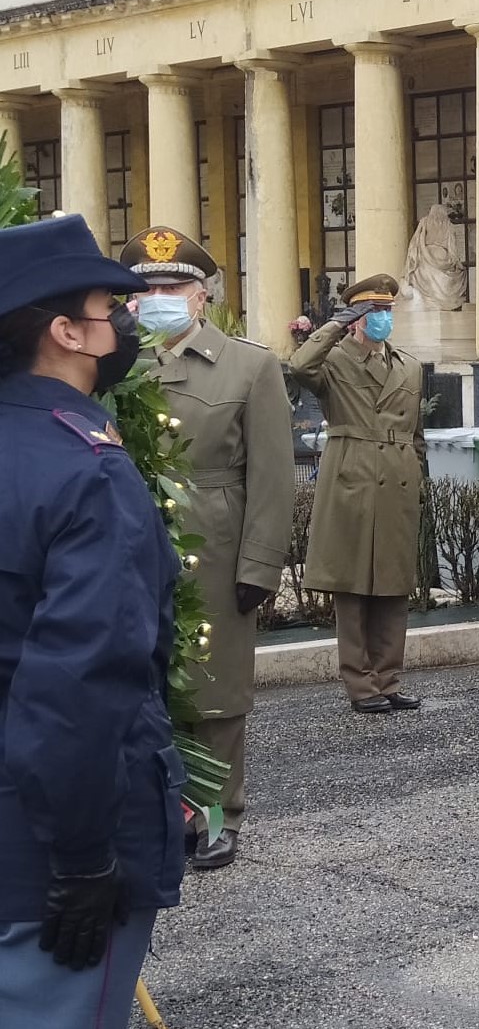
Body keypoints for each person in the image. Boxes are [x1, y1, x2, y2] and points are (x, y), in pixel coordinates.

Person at [0, 215, 185, 1029]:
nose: (125, 327)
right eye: (111, 308)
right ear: (66, 332)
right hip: (46, 853)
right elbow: (79, 687)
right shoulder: (88, 469)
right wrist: (83, 858)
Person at [122, 226, 295, 870]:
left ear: (203, 296)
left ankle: (218, 816)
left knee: (214, 690)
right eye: (147, 288)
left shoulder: (250, 365)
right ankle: (154, 809)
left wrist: (261, 564)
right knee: (141, 682)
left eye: (174, 286)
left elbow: (273, 477)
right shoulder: (116, 361)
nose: (160, 297)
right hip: (134, 543)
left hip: (215, 548)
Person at [291, 274, 427, 714]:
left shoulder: (408, 365)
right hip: (352, 475)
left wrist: (419, 478)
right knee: (351, 587)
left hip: (398, 478)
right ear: (355, 319)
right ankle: (360, 684)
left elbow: (417, 434)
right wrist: (333, 325)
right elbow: (299, 365)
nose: (382, 318)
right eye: (372, 312)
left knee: (393, 586)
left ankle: (388, 679)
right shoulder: (334, 361)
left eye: (387, 311)